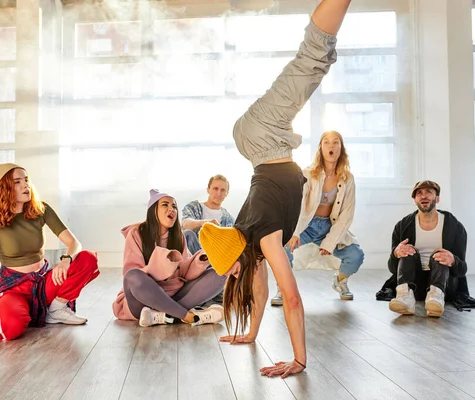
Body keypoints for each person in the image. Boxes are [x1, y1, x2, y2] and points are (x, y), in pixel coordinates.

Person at [199, 0, 352, 379]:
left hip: (263, 138)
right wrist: (250, 334)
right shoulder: (255, 245)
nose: (230, 275)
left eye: (227, 269)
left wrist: (298, 360)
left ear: (235, 252)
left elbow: (294, 300)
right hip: (262, 144)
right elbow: (264, 292)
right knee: (317, 61)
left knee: (313, 58)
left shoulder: (262, 239)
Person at [0, 163, 100, 340]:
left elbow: (74, 243)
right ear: (3, 189)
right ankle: (25, 312)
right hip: (14, 288)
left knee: (87, 259)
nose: (26, 185)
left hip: (43, 283)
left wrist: (66, 259)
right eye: (17, 182)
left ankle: (55, 309)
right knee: (9, 329)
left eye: (26, 180)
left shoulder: (41, 209)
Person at [271, 130, 364, 306]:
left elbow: (346, 214)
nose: (331, 146)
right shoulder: (308, 174)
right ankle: (283, 288)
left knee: (356, 255)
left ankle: (341, 281)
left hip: (330, 226)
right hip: (305, 225)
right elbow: (296, 205)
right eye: (326, 142)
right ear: (320, 148)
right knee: (281, 249)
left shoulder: (347, 178)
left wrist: (330, 241)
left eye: (336, 142)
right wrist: (295, 232)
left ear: (341, 148)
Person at [113, 189, 225, 327]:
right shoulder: (137, 233)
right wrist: (161, 263)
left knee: (220, 273)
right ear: (153, 210)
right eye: (165, 205)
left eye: (174, 207)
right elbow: (132, 274)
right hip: (142, 301)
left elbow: (184, 272)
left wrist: (200, 259)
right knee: (133, 276)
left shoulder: (179, 237)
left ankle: (162, 316)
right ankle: (187, 316)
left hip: (174, 294)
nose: (171, 209)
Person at [387, 180, 468, 317]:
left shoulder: (454, 226)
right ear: (415, 200)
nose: (423, 196)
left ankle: (436, 297)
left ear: (437, 198)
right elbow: (392, 268)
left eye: (428, 192)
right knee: (408, 251)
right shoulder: (402, 226)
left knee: (439, 255)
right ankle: (404, 297)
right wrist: (396, 253)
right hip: (415, 286)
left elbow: (462, 269)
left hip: (445, 286)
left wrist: (453, 260)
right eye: (419, 193)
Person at [182, 174, 235, 255]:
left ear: (226, 193)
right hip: (195, 256)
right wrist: (204, 223)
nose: (218, 193)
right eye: (215, 189)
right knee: (188, 234)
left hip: (217, 258)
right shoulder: (194, 207)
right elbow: (185, 224)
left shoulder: (229, 219)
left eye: (223, 190)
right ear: (208, 190)